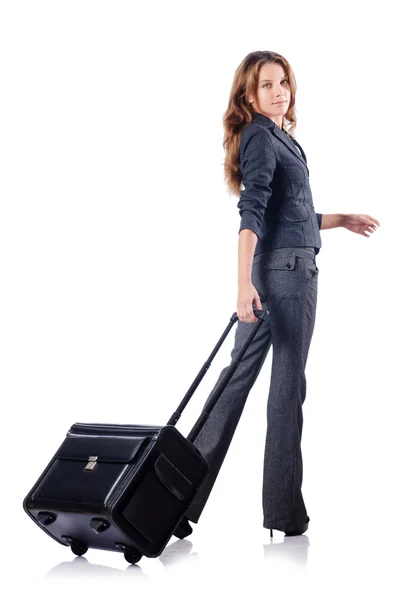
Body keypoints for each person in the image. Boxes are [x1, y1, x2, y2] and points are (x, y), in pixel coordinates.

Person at [174, 50, 380, 539]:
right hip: (287, 276)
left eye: (283, 81)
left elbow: (283, 218)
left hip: (273, 267)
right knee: (287, 391)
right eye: (267, 84)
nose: (279, 90)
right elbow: (251, 215)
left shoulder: (273, 138)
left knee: (233, 382)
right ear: (249, 95)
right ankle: (284, 515)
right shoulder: (262, 138)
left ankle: (175, 499)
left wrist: (338, 220)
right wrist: (241, 284)